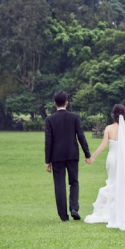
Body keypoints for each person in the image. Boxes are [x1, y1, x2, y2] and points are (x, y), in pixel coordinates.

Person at [84, 104, 125, 231]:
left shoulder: (109, 128)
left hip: (112, 159)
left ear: (112, 115)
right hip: (123, 161)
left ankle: (109, 211)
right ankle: (122, 210)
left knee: (112, 182)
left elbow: (103, 145)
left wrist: (92, 157)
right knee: (122, 183)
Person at [45, 91, 92, 222]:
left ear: (54, 103)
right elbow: (81, 136)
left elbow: (48, 141)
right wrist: (87, 154)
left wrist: (47, 161)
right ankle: (74, 208)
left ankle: (63, 216)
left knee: (59, 185)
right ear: (67, 102)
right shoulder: (75, 117)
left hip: (56, 156)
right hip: (72, 154)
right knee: (74, 182)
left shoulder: (49, 119)